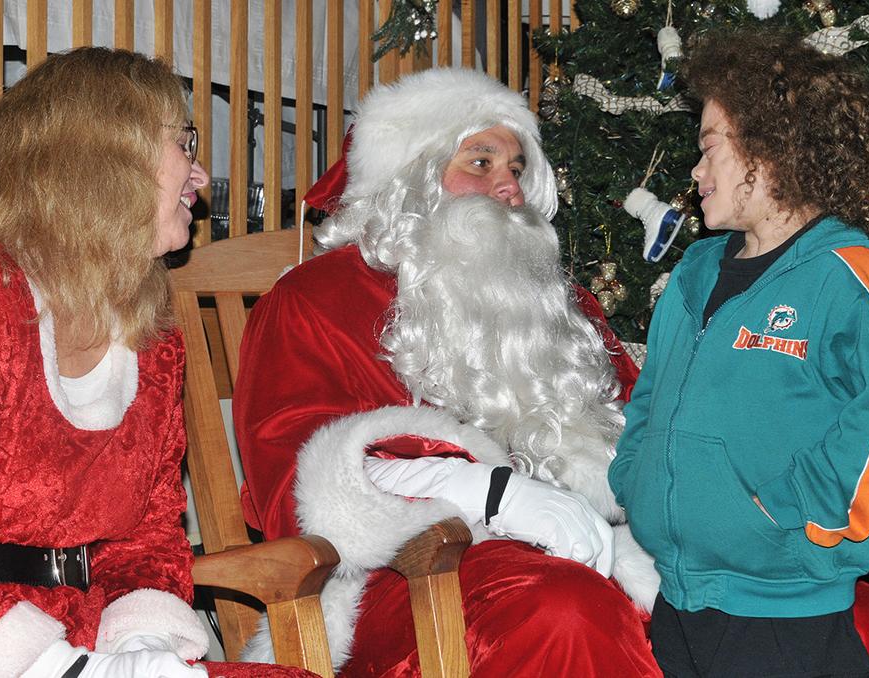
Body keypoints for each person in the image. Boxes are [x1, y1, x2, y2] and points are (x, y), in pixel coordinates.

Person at [0, 48, 313, 678]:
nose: (202, 175)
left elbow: (147, 537)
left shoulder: (149, 341)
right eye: (185, 142)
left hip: (85, 636)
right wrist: (67, 669)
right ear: (104, 160)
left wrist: (142, 647)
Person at [233, 67, 662, 676]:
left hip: (605, 551)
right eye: (480, 163)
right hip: (406, 576)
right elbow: (295, 490)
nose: (509, 187)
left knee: (794, 611)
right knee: (566, 613)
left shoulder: (559, 305)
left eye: (515, 169)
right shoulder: (317, 299)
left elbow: (648, 425)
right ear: (410, 182)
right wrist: (487, 492)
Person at [609, 30, 869, 677]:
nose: (696, 172)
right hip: (679, 600)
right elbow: (652, 397)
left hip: (786, 620)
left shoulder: (853, 271)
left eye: (709, 149)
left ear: (779, 150)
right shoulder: (696, 270)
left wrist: (784, 512)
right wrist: (633, 475)